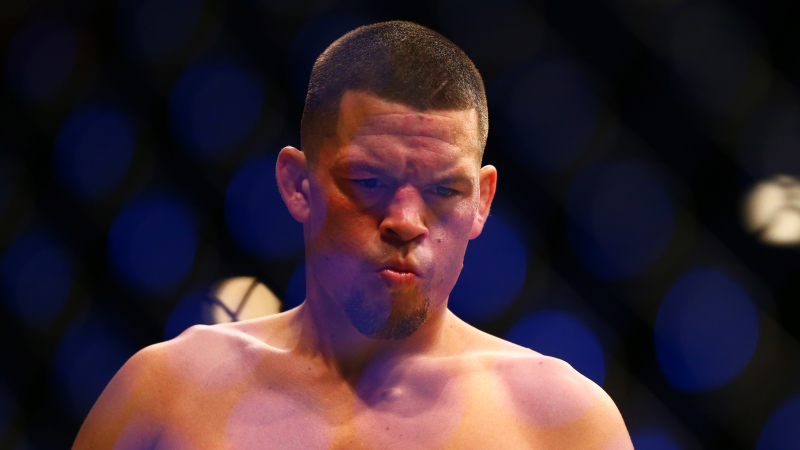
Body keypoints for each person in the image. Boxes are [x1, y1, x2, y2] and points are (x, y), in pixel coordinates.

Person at [73, 21, 633, 449]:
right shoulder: (167, 392)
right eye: (369, 181)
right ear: (298, 185)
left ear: (481, 202)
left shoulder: (561, 424)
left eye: (444, 190)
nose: (406, 221)